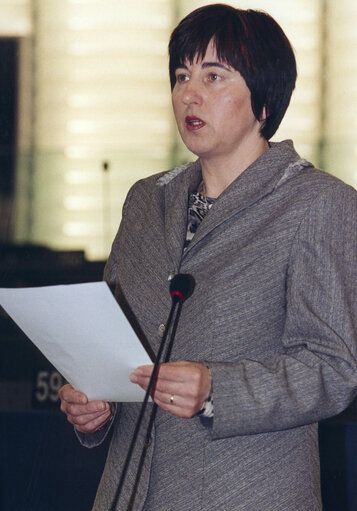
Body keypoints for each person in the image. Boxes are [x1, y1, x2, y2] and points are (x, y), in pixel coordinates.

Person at [59, 4, 357, 510]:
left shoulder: (317, 204)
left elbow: (332, 369)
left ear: (263, 99)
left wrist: (219, 390)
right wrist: (93, 402)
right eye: (181, 76)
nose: (189, 95)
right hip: (128, 494)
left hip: (246, 493)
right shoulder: (145, 202)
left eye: (213, 76)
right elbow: (113, 340)